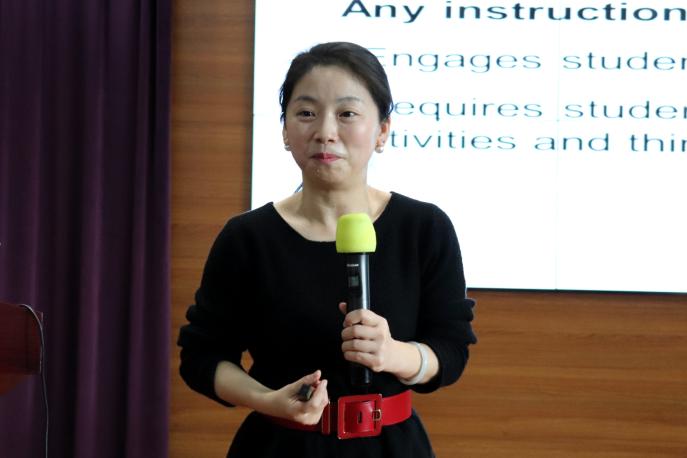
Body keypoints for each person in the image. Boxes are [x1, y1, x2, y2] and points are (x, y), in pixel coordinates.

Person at [178, 41, 477, 457]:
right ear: (285, 131)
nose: (325, 131)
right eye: (306, 113)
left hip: (391, 447)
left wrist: (392, 353)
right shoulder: (247, 237)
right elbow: (202, 356)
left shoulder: (423, 228)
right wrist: (268, 399)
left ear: (382, 130)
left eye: (347, 114)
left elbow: (451, 350)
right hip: (278, 447)